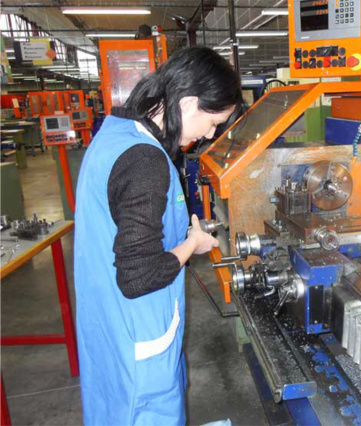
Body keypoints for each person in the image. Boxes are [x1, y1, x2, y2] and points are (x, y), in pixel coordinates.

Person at [74, 47, 242, 425]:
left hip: (110, 328)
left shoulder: (115, 134)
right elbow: (139, 276)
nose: (209, 135)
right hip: (139, 344)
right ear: (188, 104)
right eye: (212, 122)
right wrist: (193, 244)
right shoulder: (145, 161)